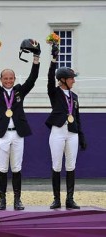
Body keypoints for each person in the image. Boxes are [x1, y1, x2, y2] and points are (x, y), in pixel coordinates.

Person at [0, 39, 41, 210]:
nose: (8, 80)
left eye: (11, 78)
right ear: (1, 79)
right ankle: (2, 200)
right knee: (2, 168)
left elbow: (33, 78)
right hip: (2, 133)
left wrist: (36, 59)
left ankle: (17, 199)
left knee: (16, 167)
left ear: (14, 79)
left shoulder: (20, 91)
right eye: (5, 78)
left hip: (17, 133)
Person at [46, 43, 87, 209]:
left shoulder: (75, 97)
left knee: (71, 166)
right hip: (57, 132)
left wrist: (81, 136)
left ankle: (70, 199)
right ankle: (56, 199)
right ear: (63, 80)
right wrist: (53, 59)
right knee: (56, 166)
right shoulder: (54, 93)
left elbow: (77, 117)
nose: (74, 81)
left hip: (72, 133)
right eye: (71, 78)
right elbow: (50, 78)